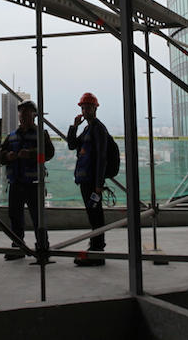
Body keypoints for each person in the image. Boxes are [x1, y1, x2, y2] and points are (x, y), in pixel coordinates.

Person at [0, 98, 54, 261]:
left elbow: (49, 153)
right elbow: (1, 156)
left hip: (34, 184)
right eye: (21, 114)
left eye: (26, 114)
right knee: (15, 216)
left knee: (38, 218)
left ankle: (42, 248)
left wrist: (31, 153)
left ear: (34, 116)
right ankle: (18, 247)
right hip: (16, 183)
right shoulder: (12, 136)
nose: (23, 117)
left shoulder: (40, 134)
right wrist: (7, 156)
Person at [66, 92, 110, 267]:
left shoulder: (98, 129)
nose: (85, 110)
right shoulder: (87, 129)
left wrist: (99, 184)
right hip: (85, 180)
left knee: (96, 215)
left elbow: (102, 157)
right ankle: (96, 247)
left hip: (93, 182)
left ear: (95, 108)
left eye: (88, 107)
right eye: (83, 108)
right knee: (93, 215)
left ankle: (97, 250)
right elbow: (71, 145)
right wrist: (74, 126)